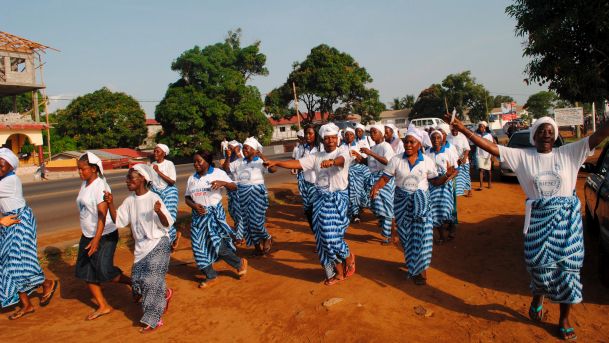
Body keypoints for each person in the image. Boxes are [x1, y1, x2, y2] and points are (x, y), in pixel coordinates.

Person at [448, 114, 609, 341]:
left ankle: (564, 319)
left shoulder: (570, 153)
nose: (546, 133)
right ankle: (539, 294)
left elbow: (600, 135)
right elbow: (492, 148)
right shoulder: (523, 157)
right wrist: (464, 129)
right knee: (538, 267)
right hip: (538, 222)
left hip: (567, 224)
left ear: (556, 135)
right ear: (534, 135)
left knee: (568, 271)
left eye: (550, 130)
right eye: (542, 130)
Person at [265, 123, 356, 285]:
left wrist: (332, 162)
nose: (330, 141)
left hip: (338, 200)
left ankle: (348, 256)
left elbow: (341, 160)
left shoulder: (343, 151)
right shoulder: (316, 157)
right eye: (327, 138)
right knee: (322, 239)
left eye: (333, 138)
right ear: (323, 139)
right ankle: (337, 272)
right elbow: (297, 164)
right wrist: (277, 163)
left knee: (331, 238)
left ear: (338, 138)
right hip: (320, 200)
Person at [105, 164, 174, 333]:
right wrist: (110, 204)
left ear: (142, 178)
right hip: (141, 247)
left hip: (159, 242)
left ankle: (154, 319)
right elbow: (119, 220)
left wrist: (159, 212)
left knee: (151, 282)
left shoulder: (153, 198)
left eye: (131, 178)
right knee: (137, 281)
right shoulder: (130, 201)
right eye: (127, 178)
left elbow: (167, 224)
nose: (127, 181)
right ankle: (164, 292)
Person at [371, 128, 440, 285]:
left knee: (422, 237)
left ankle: (421, 271)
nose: (408, 144)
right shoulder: (396, 160)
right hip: (402, 204)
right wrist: (377, 186)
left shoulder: (427, 161)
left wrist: (446, 177)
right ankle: (413, 263)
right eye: (406, 142)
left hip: (421, 205)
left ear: (419, 144)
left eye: (411, 142)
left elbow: (435, 181)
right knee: (406, 236)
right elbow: (385, 178)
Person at [0, 149, 58, 320]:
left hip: (19, 220)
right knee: (8, 262)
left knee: (19, 259)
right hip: (9, 220)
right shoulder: (4, 179)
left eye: (2, 165)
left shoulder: (10, 180)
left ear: (11, 167)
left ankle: (46, 283)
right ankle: (27, 305)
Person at [75, 152, 132, 320]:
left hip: (104, 234)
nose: (79, 172)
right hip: (88, 234)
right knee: (86, 271)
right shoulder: (85, 184)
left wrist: (96, 240)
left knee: (105, 271)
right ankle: (103, 305)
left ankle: (135, 284)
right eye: (78, 169)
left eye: (82, 169)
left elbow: (102, 215)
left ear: (93, 169)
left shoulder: (100, 186)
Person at [185, 150, 248, 288]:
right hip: (198, 217)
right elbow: (187, 198)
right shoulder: (192, 179)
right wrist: (195, 206)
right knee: (198, 247)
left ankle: (239, 263)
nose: (196, 164)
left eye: (199, 161)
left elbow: (234, 186)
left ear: (207, 161)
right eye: (194, 161)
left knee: (218, 245)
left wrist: (223, 183)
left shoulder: (218, 173)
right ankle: (210, 275)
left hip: (214, 215)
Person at [229, 137, 276, 256]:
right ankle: (256, 246)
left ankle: (267, 237)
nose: (244, 150)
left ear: (255, 150)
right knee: (247, 222)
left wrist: (263, 157)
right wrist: (229, 155)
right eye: (243, 147)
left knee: (256, 220)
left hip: (257, 194)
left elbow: (273, 169)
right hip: (243, 194)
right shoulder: (239, 162)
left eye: (247, 148)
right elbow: (226, 168)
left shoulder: (260, 162)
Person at [361, 125, 396, 244]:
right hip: (374, 179)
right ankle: (386, 232)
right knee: (378, 208)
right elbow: (370, 164)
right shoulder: (373, 147)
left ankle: (391, 236)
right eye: (370, 132)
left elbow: (388, 162)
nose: (372, 134)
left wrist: (371, 153)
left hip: (384, 179)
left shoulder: (386, 146)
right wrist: (359, 157)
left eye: (374, 132)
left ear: (381, 133)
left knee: (387, 208)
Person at [425, 130, 459, 244]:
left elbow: (456, 170)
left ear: (441, 139)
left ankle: (452, 225)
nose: (435, 140)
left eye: (438, 138)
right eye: (433, 138)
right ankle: (441, 235)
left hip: (445, 184)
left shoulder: (448, 152)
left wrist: (449, 177)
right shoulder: (427, 152)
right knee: (434, 209)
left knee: (446, 208)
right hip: (432, 183)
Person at [150, 144, 180, 251]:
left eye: (158, 151)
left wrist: (158, 172)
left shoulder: (169, 164)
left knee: (168, 217)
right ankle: (171, 237)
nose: (155, 153)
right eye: (154, 151)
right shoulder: (152, 164)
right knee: (158, 216)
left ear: (164, 153)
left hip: (169, 192)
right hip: (156, 192)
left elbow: (172, 181)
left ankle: (170, 239)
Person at [293, 125, 320, 232]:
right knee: (308, 211)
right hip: (305, 183)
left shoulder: (321, 147)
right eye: (306, 134)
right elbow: (297, 163)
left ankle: (321, 237)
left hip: (319, 185)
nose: (308, 136)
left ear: (316, 134)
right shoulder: (301, 148)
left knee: (317, 211)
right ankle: (316, 234)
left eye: (310, 133)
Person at [341, 127, 370, 223]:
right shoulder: (341, 147)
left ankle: (357, 212)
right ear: (344, 136)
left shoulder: (358, 146)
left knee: (357, 192)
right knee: (348, 193)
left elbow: (364, 161)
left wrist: (358, 156)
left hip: (357, 173)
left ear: (354, 136)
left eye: (351, 134)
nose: (349, 136)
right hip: (345, 173)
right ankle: (353, 214)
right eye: (347, 134)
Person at [222, 140, 244, 243]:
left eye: (231, 148)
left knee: (239, 214)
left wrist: (238, 152)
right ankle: (242, 231)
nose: (229, 150)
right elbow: (226, 169)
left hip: (241, 189)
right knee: (232, 212)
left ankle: (239, 237)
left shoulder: (242, 158)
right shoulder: (229, 160)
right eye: (228, 148)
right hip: (231, 191)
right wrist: (228, 157)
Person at [448, 126, 472, 197]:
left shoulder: (462, 137)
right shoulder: (448, 137)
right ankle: (457, 191)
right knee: (455, 177)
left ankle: (469, 190)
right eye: (453, 131)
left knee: (466, 175)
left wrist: (464, 158)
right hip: (453, 161)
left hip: (463, 160)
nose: (454, 132)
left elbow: (467, 149)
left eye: (456, 131)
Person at [475, 121, 494, 190]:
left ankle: (489, 183)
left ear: (485, 127)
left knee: (488, 171)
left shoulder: (488, 135)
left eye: (482, 126)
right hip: (479, 154)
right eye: (479, 126)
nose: (480, 128)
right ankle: (481, 186)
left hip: (487, 155)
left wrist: (492, 155)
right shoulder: (477, 135)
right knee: (481, 170)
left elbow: (492, 145)